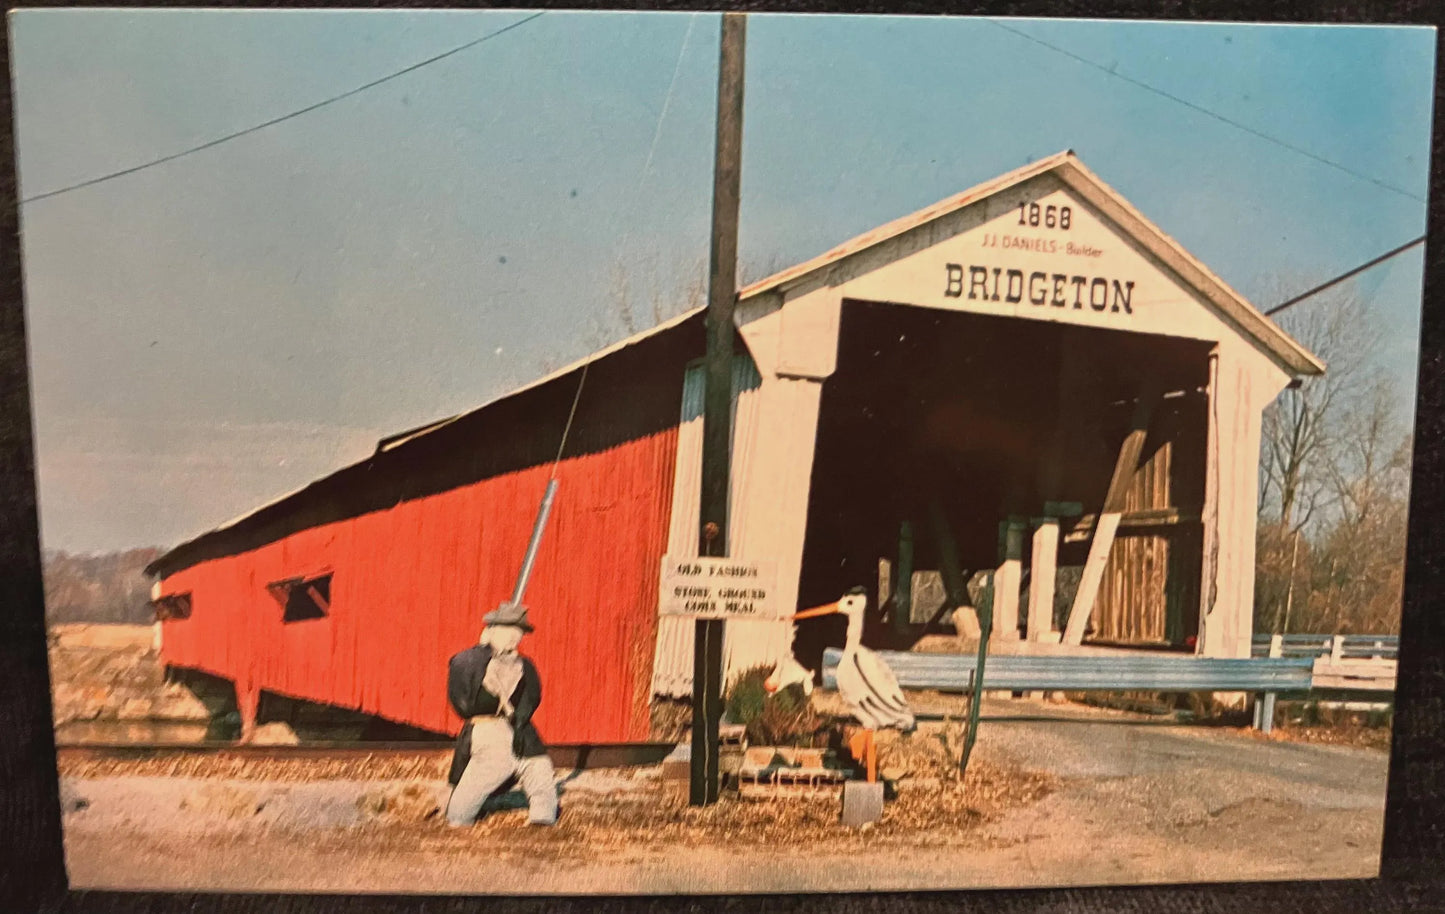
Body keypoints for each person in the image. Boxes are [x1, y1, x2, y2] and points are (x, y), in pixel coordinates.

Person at [444, 601, 558, 826]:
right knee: (492, 767)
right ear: (492, 630)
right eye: (509, 630)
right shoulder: (467, 661)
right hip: (487, 729)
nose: (514, 637)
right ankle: (458, 817)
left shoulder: (524, 665)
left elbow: (530, 698)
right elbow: (463, 704)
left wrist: (519, 723)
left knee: (539, 765)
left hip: (518, 726)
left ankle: (542, 819)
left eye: (519, 632)